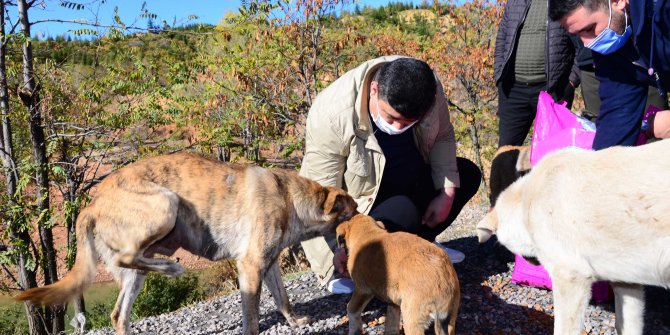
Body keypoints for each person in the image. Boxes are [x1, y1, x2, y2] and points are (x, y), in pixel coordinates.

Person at [299, 56, 482, 294]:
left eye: (408, 122)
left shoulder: (428, 88)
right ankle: (362, 262)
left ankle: (421, 246)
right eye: (391, 117)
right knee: (403, 212)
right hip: (366, 205)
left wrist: (446, 193)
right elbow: (320, 194)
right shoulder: (332, 113)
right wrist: (339, 249)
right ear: (373, 90)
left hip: (410, 181)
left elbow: (443, 136)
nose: (397, 128)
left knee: (465, 175)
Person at [549, 0, 670, 149]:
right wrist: (600, 164)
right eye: (577, 35)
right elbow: (618, 112)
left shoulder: (664, 11)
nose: (586, 43)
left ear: (618, 2)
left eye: (589, 28)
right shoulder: (612, 47)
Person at [494, 0, 577, 147]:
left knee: (552, 152)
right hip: (513, 90)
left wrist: (572, 80)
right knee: (507, 152)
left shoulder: (567, 2)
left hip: (553, 89)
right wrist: (499, 75)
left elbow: (581, 39)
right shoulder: (515, 2)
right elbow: (502, 36)